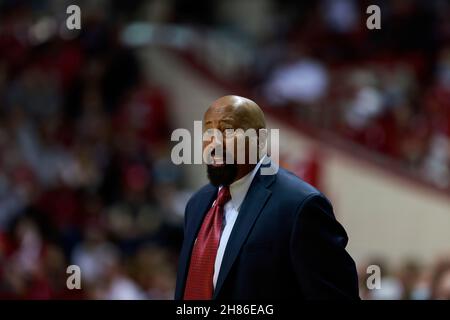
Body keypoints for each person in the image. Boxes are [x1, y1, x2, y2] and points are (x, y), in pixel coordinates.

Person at [175, 95, 359, 300]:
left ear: (259, 140)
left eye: (227, 130)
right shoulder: (197, 204)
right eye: (209, 130)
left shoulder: (299, 206)